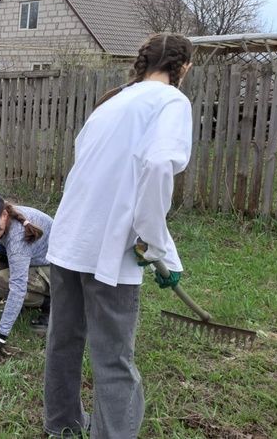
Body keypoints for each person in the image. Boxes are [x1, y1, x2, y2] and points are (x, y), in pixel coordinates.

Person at [43, 33, 194, 438]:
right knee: (113, 360)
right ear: (184, 68)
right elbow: (160, 168)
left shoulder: (111, 102)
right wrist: (158, 247)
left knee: (63, 344)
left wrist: (163, 249)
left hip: (69, 239)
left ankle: (62, 427)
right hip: (107, 251)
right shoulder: (171, 101)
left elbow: (102, 176)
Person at [0, 191, 53, 358]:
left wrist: (0, 336)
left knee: (0, 281)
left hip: (56, 274)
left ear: (4, 215)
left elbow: (18, 286)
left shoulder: (18, 239)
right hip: (34, 262)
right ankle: (14, 307)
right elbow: (2, 243)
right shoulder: (9, 216)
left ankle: (50, 305)